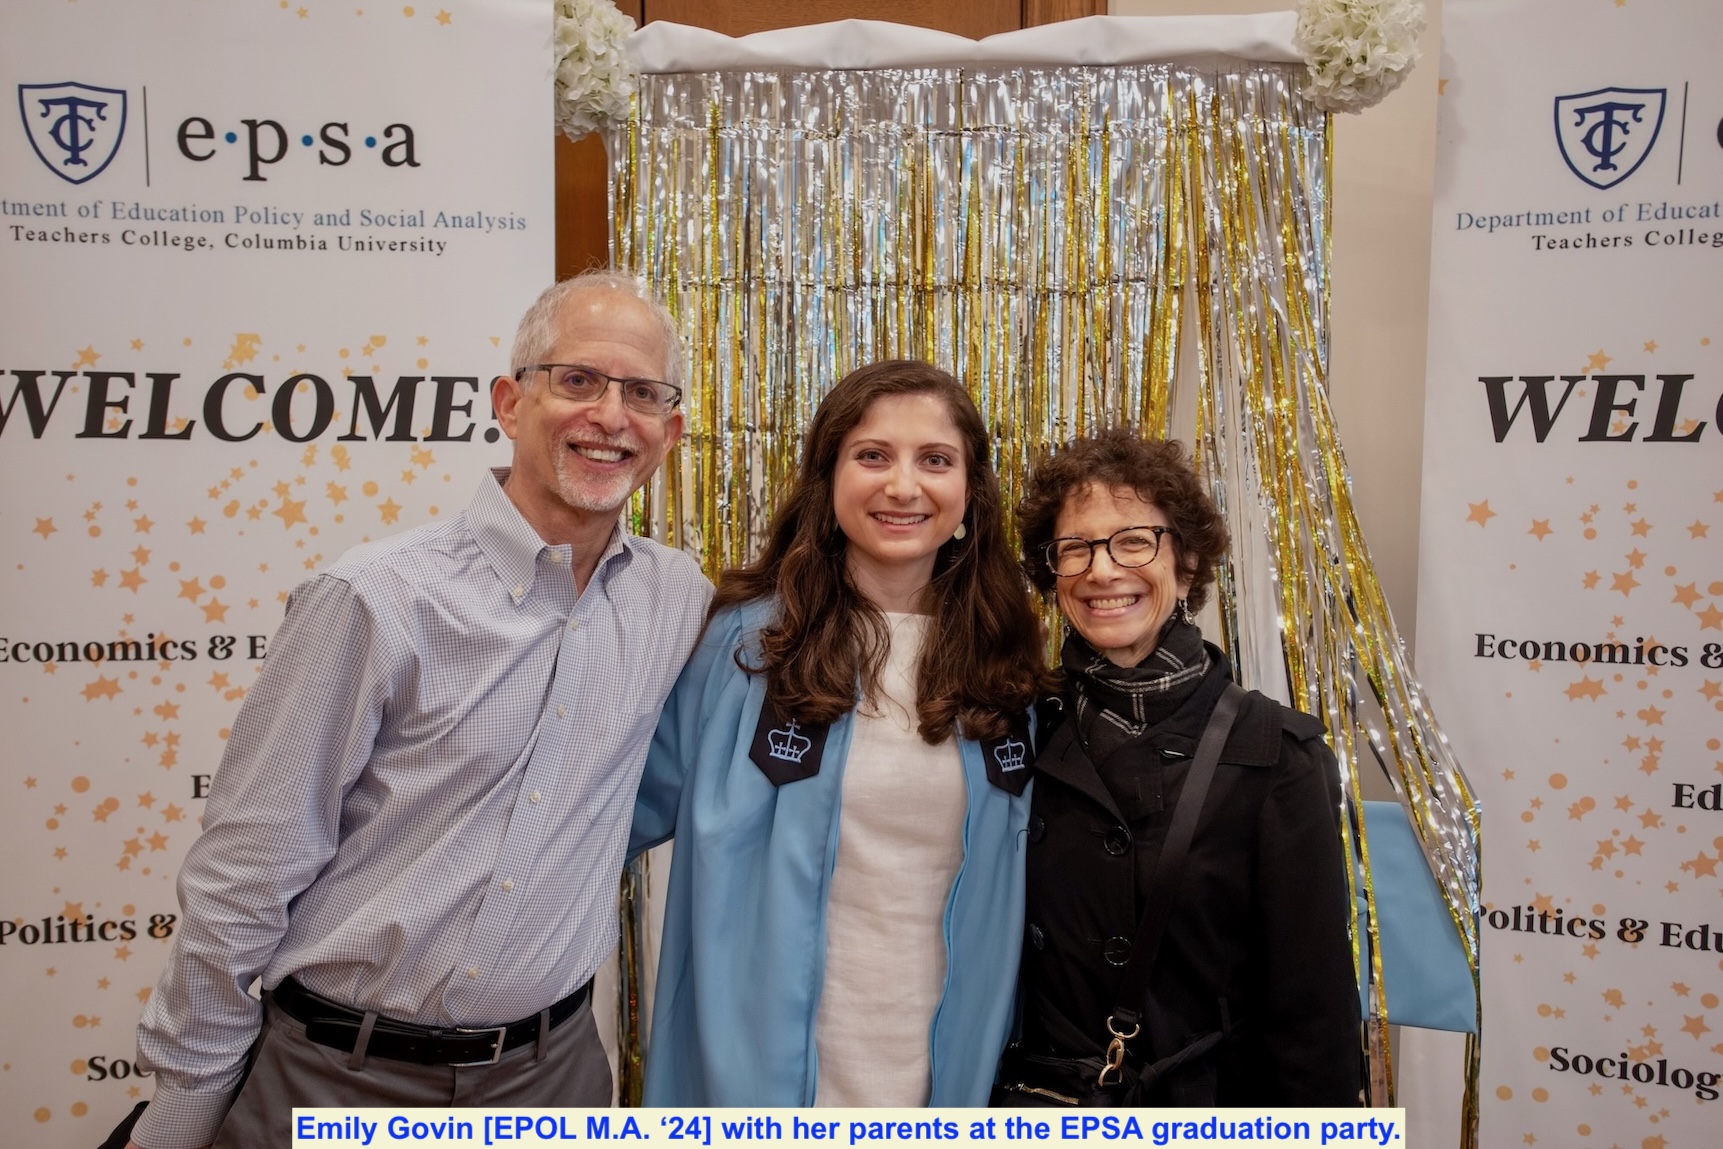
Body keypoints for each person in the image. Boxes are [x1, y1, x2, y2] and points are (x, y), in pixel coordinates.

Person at [126, 271, 713, 1149]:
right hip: (339, 1085)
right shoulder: (374, 598)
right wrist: (178, 1117)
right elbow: (245, 871)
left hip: (554, 1080)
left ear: (668, 433)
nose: (610, 415)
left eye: (641, 393)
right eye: (579, 381)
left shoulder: (679, 599)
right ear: (511, 403)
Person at [630, 359, 1049, 1106]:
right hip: (755, 1078)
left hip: (948, 1075)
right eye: (872, 455)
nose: (902, 485)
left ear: (969, 494)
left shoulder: (1007, 667)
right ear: (827, 478)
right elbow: (608, 814)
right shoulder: (745, 649)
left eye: (935, 460)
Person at [996, 429, 1362, 1107]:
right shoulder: (1018, 728)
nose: (1101, 571)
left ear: (1187, 562)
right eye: (1074, 548)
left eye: (1133, 540)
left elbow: (1313, 1014)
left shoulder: (1275, 753)